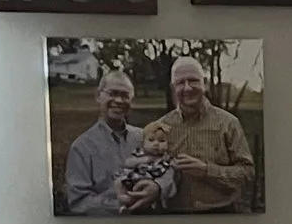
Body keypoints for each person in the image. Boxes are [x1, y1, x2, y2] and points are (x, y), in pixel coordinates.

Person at [143, 54, 257, 212]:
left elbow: (247, 174)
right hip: (175, 215)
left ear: (206, 84)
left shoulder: (228, 123)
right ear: (173, 88)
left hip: (220, 213)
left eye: (193, 80)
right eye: (180, 83)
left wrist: (207, 171)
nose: (187, 88)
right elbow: (148, 167)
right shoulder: (161, 127)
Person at [62, 66, 146, 214]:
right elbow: (79, 202)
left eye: (125, 95)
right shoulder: (82, 147)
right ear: (98, 96)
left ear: (132, 100)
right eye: (112, 94)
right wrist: (120, 205)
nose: (118, 100)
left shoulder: (143, 138)